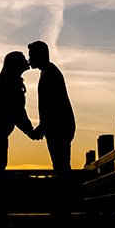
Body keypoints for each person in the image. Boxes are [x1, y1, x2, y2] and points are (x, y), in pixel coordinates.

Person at [0, 51, 40, 171]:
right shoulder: (11, 82)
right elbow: (16, 111)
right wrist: (30, 131)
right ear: (16, 64)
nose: (27, 60)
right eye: (23, 58)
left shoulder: (11, 81)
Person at [27, 40, 75, 171]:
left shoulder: (50, 73)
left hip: (59, 127)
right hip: (58, 127)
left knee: (61, 166)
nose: (29, 59)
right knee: (61, 165)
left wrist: (43, 127)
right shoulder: (48, 72)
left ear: (40, 55)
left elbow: (54, 105)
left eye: (31, 56)